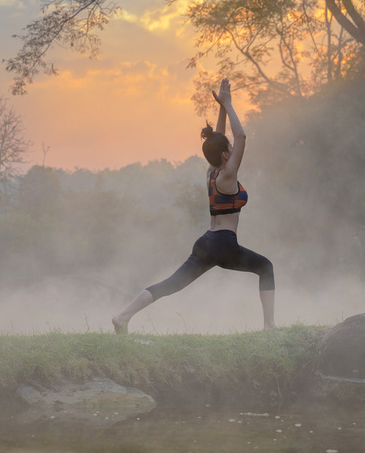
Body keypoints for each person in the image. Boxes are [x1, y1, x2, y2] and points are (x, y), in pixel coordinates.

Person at [112, 78, 275, 333]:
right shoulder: (227, 176)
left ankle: (123, 316)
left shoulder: (211, 172)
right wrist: (230, 105)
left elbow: (222, 139)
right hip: (224, 244)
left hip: (206, 242)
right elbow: (241, 135)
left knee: (170, 284)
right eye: (229, 148)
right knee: (266, 267)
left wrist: (220, 106)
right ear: (224, 155)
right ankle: (269, 325)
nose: (233, 148)